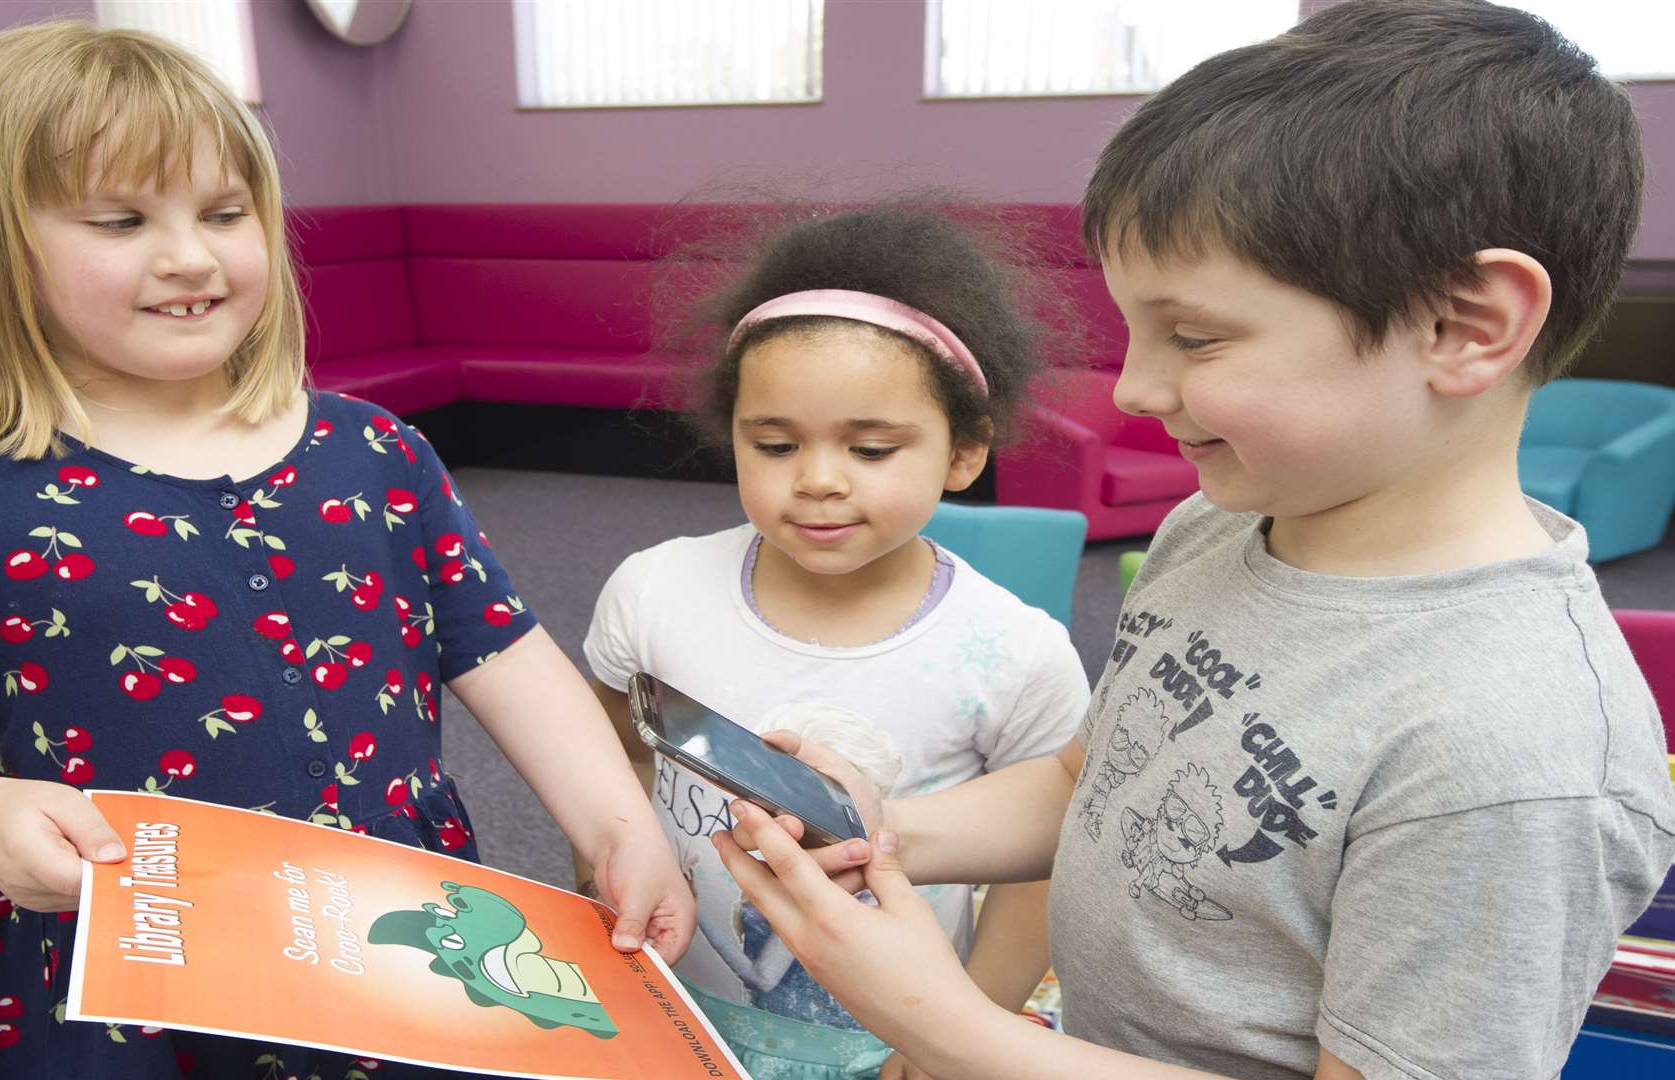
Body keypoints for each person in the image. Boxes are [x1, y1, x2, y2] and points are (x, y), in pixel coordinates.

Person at [713, 3, 1675, 1078]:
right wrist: (884, 827)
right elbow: (1096, 778)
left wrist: (942, 1026)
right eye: (1134, 327)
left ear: (1465, 325)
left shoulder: (1511, 756)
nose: (1135, 386)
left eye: (1196, 336)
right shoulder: (1221, 523)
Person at [0, 22, 689, 1079]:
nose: (191, 256)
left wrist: (619, 823)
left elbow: (505, 653)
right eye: (121, 219)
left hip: (402, 952)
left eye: (225, 214)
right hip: (130, 983)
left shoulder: (373, 449)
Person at [578, 204, 1090, 1079]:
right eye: (774, 443)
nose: (817, 480)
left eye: (873, 448)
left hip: (886, 1043)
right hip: (670, 1002)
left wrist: (955, 1036)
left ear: (964, 453)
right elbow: (613, 757)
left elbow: (1041, 868)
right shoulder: (652, 592)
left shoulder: (1017, 652)